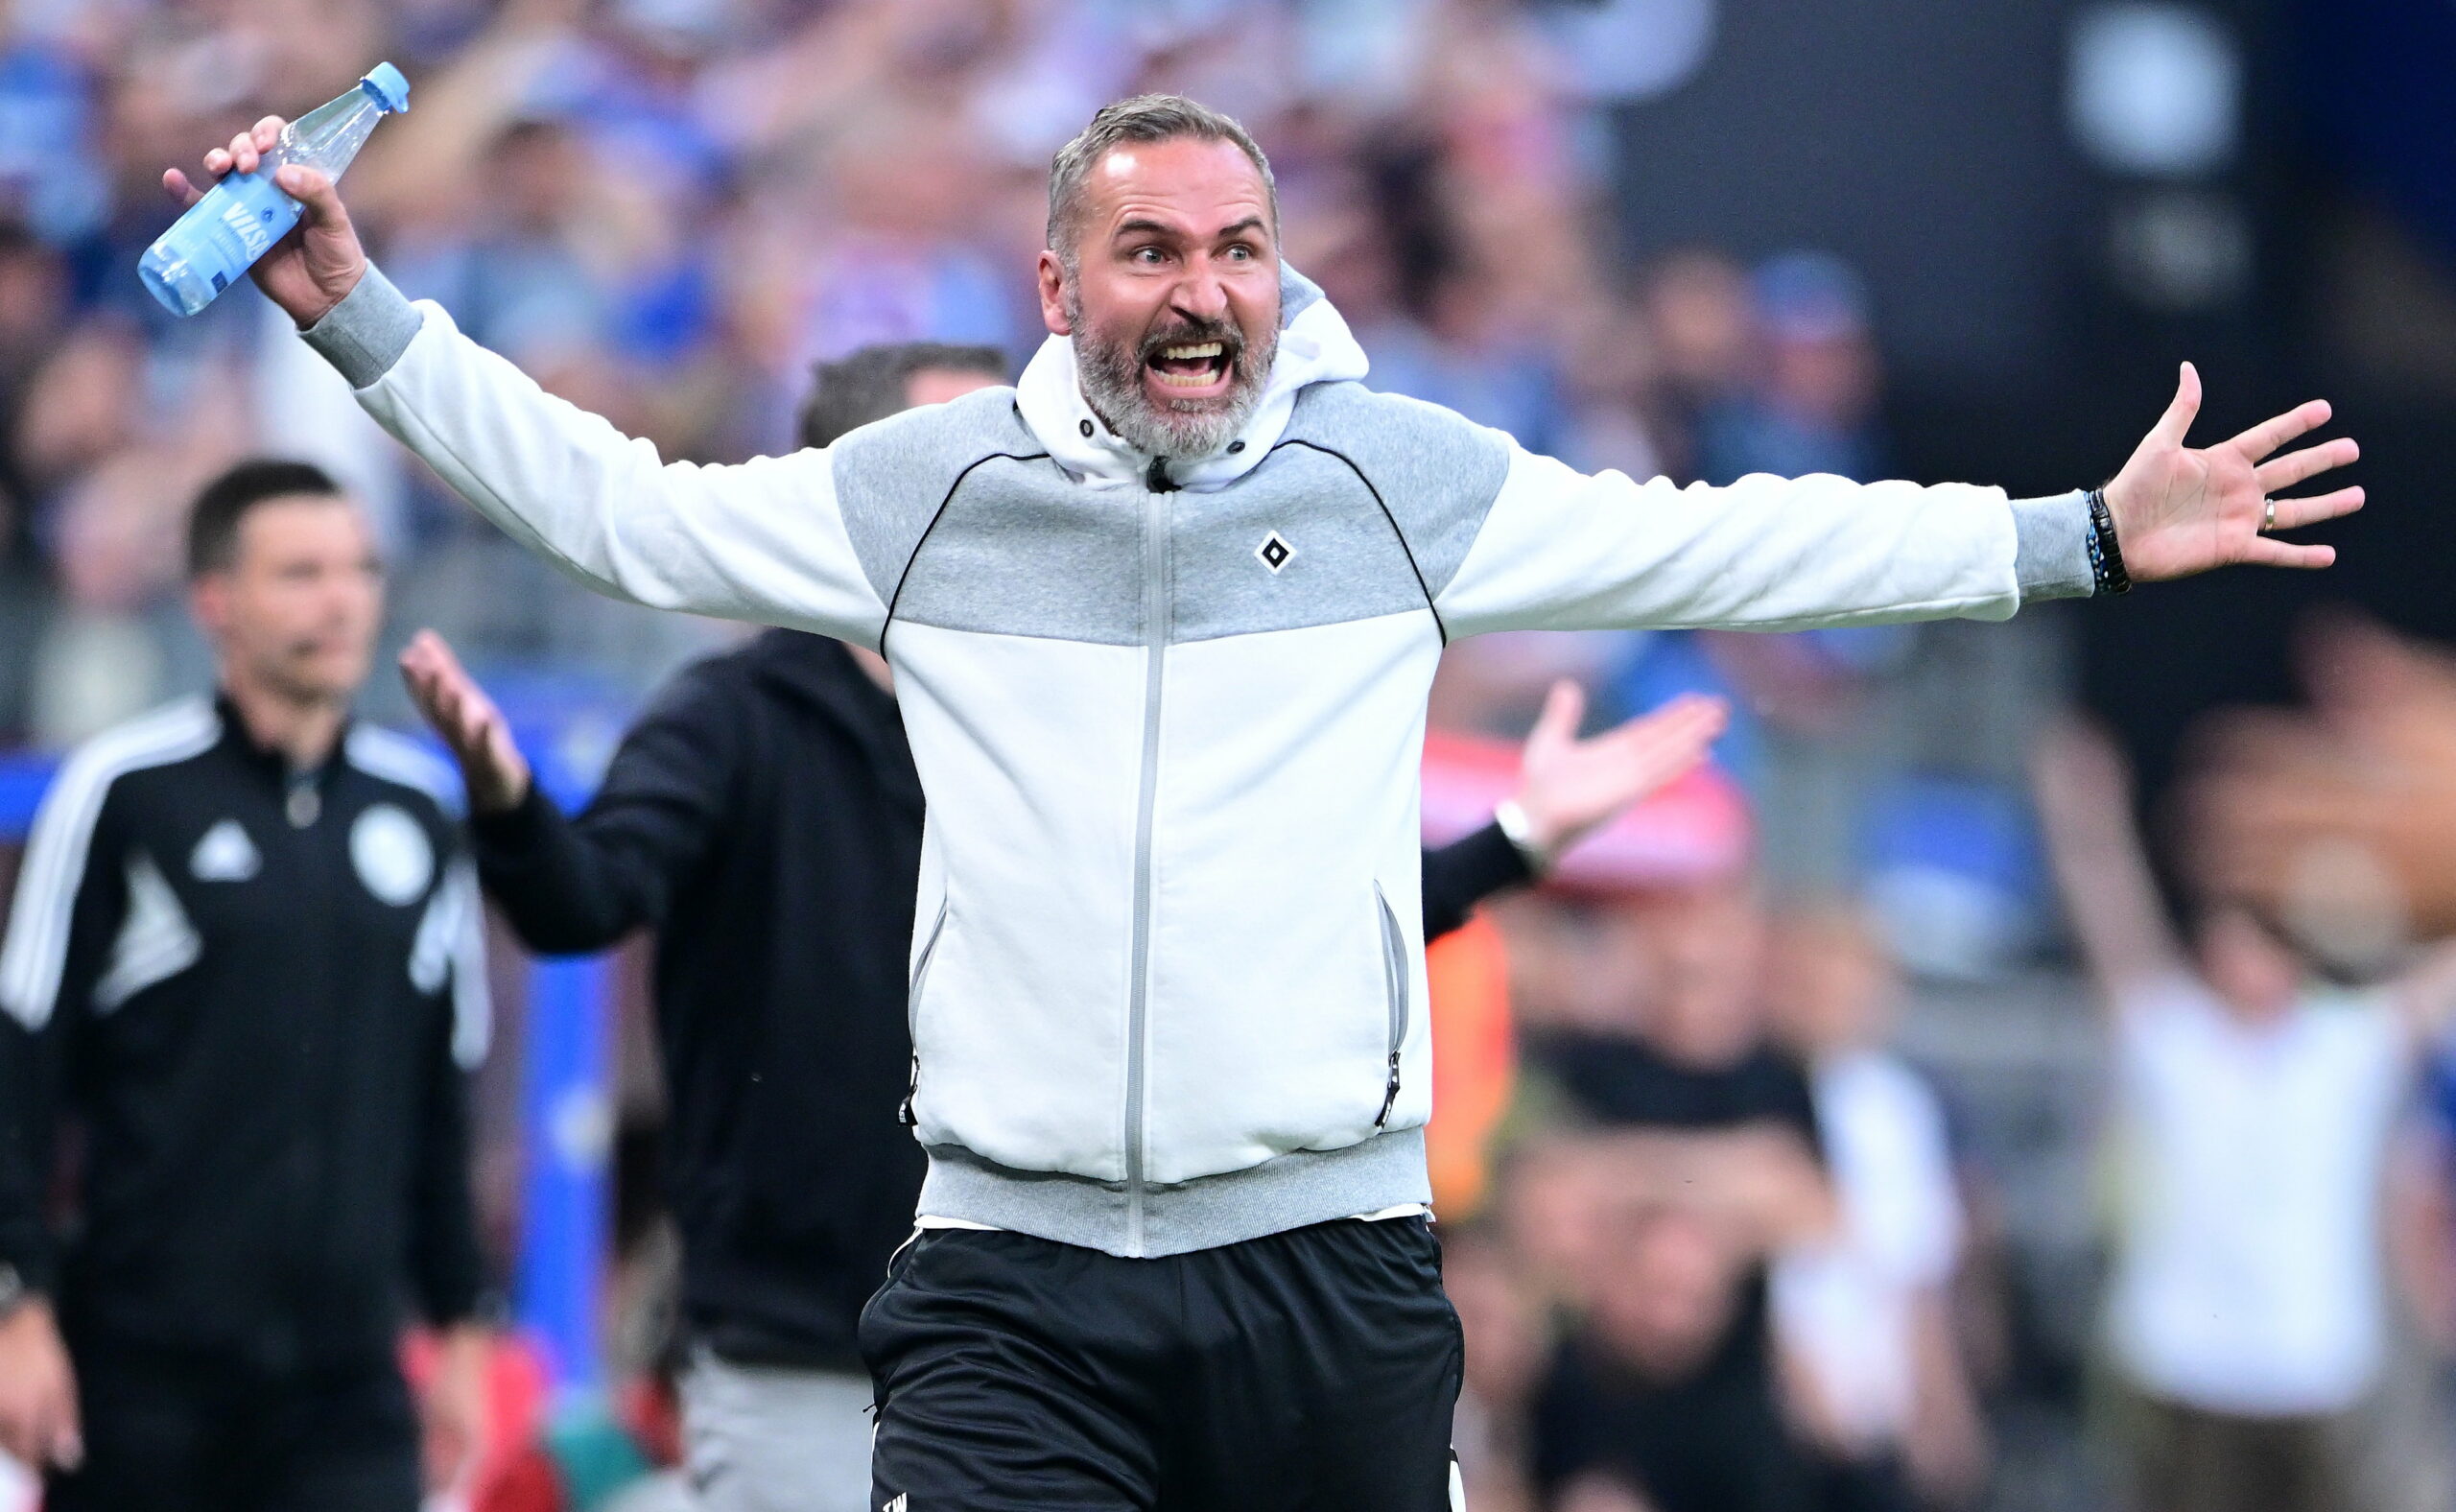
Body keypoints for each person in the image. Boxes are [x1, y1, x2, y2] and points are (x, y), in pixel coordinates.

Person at [178, 86, 2359, 1509]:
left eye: (1234, 246)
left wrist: (2071, 530)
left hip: (1323, 1275)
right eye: (1149, 252)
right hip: (1008, 1279)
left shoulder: (1403, 481)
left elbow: (1734, 537)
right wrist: (367, 320)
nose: (1202, 289)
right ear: (1059, 287)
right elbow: (624, 517)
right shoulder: (928, 494)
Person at [396, 337, 1732, 1512]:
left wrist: (1518, 844)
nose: (1014, 478)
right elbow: (578, 901)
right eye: (960, 449)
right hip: (800, 1348)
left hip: (1038, 1335)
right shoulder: (737, 724)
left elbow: (1275, 927)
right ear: (854, 491)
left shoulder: (1069, 717)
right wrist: (510, 801)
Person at [0, 460, 492, 1510]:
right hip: (141, 1374)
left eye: (359, 569)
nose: (341, 598)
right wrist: (18, 1306)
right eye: (301, 572)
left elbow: (441, 1093)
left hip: (348, 1383)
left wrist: (459, 1326)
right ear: (215, 600)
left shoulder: (421, 808)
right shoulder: (125, 793)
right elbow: (18, 1070)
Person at [2034, 720, 2456, 1512]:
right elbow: (2112, 916)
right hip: (2183, 1361)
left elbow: (2440, 977)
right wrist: (2083, 817)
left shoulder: (2344, 1048)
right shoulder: (2174, 1042)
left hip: (2308, 1365)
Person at [1763, 904, 1989, 1512]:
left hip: (1880, 1410)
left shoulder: (1901, 1106)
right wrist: (1800, 1385)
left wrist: (1941, 1404)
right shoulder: (1756, 1089)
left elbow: (1917, 1274)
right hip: (1782, 1414)